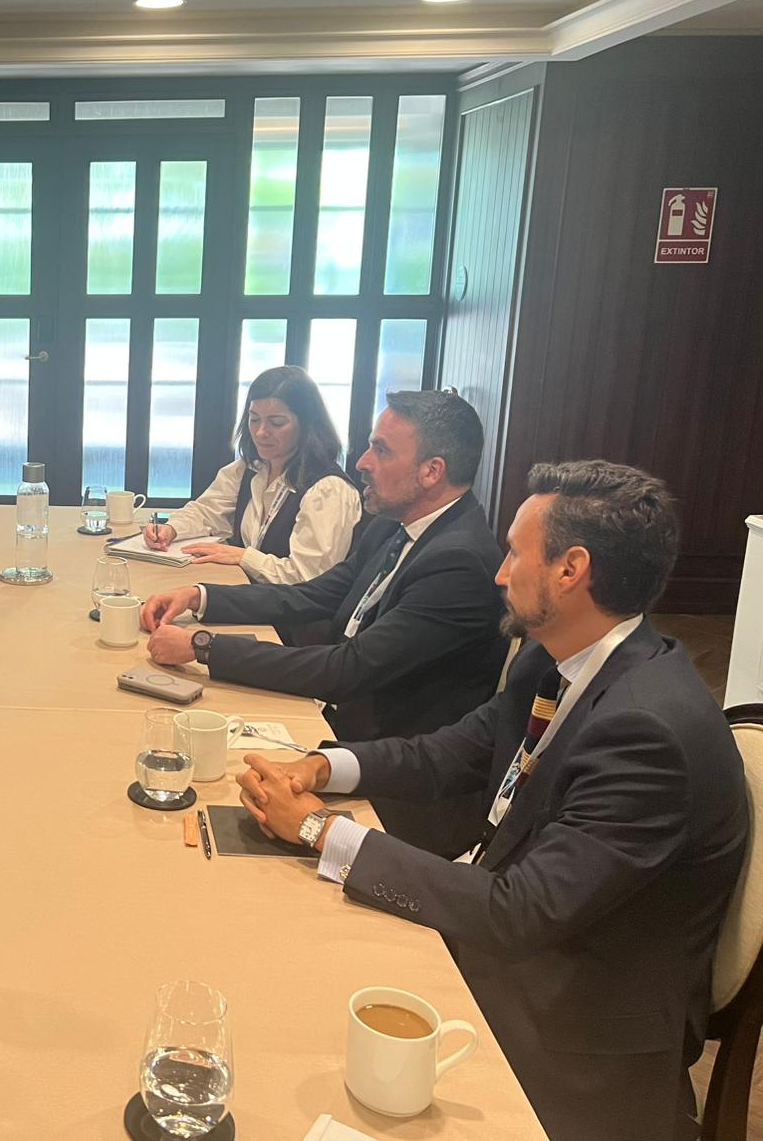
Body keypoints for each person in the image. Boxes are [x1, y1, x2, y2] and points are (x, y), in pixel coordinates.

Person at [236, 460, 745, 1141]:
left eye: (514, 553)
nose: (499, 573)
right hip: (521, 953)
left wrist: (320, 832)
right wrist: (322, 766)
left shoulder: (647, 732)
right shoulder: (554, 659)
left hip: (573, 1034)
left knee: (289, 1041)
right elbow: (450, 752)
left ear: (571, 570)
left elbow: (519, 912)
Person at [142, 390, 507, 855]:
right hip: (336, 735)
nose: (362, 462)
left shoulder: (458, 563)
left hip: (395, 785)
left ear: (431, 471)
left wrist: (204, 646)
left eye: (381, 450)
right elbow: (312, 595)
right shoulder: (394, 526)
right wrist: (202, 597)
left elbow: (347, 670)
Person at [143, 365, 361, 584]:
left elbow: (309, 577)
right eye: (254, 419)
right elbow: (206, 512)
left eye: (276, 423)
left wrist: (244, 557)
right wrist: (171, 529)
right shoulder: (250, 468)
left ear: (306, 425)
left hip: (286, 605)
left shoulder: (328, 489)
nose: (260, 432)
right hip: (249, 593)